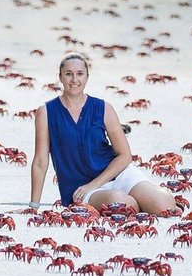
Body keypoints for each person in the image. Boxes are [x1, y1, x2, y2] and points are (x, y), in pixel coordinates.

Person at [26, 52, 179, 215]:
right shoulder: (46, 112)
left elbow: (125, 156)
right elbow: (41, 161)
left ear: (87, 77)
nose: (74, 80)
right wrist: (33, 206)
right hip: (81, 189)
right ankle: (141, 201)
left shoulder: (104, 108)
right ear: (60, 77)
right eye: (69, 74)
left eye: (80, 74)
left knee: (164, 208)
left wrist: (96, 183)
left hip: (117, 174)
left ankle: (152, 195)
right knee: (121, 204)